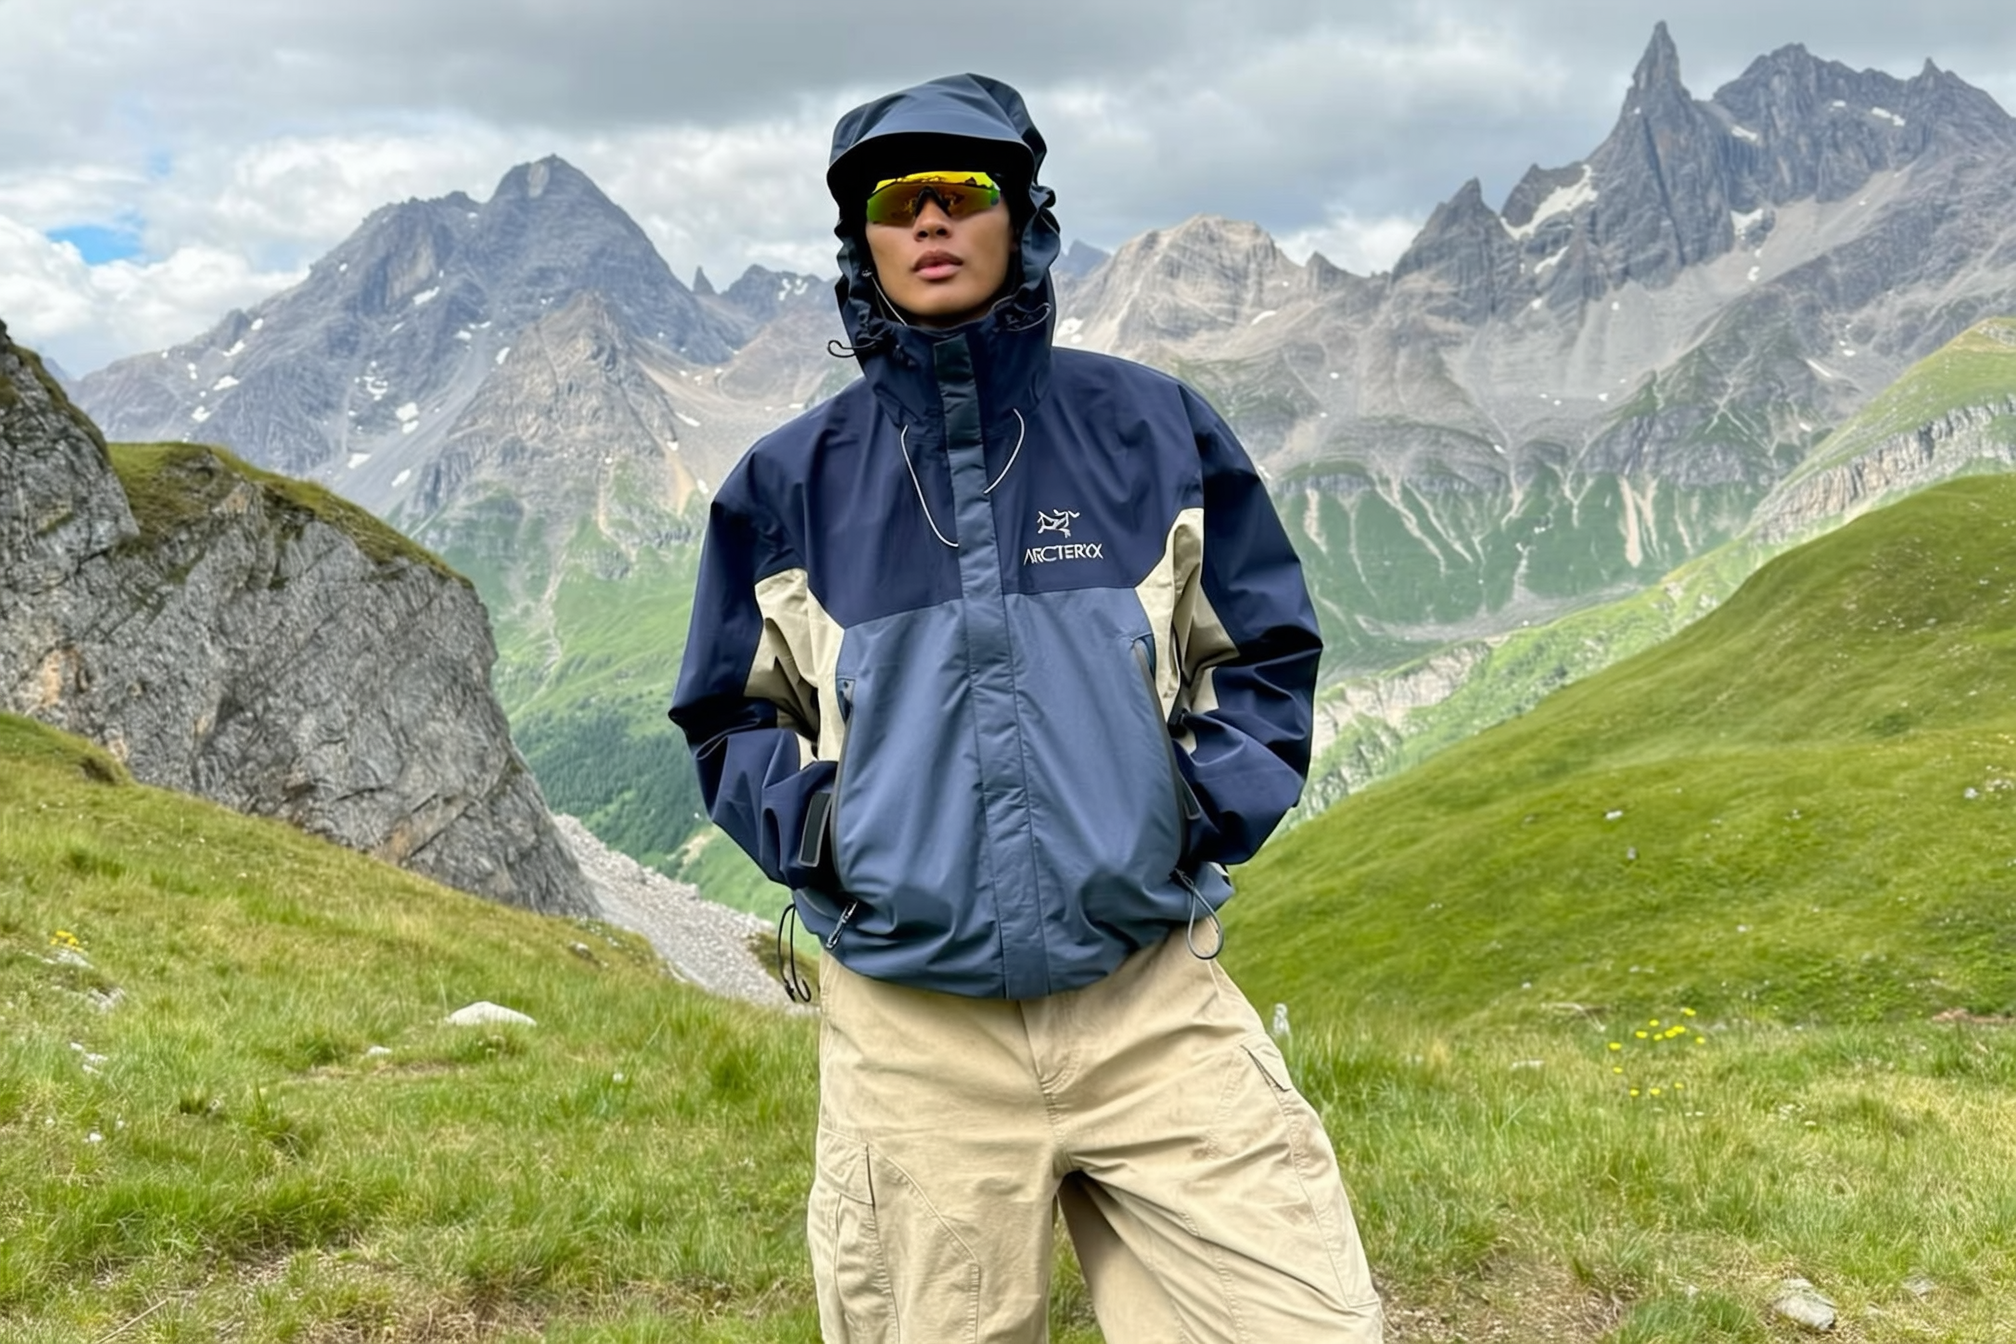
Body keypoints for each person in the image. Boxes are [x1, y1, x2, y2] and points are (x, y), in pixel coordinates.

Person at [670, 72, 1383, 1343]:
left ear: (1023, 217)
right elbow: (731, 715)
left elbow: (1264, 654)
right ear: (861, 242)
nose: (930, 219)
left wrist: (1184, 810)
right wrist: (834, 836)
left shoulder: (1155, 430)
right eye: (896, 200)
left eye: (964, 189)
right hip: (914, 1037)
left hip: (1149, 1001)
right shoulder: (784, 484)